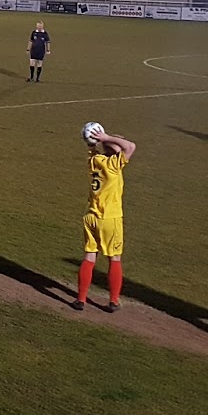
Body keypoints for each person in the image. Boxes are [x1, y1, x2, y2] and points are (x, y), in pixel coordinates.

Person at [73, 124, 136, 312]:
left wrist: (94, 140)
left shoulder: (94, 160)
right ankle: (114, 301)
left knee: (89, 256)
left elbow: (93, 147)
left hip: (90, 217)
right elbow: (131, 146)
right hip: (110, 219)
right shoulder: (114, 165)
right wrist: (106, 137)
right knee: (114, 258)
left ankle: (81, 300)